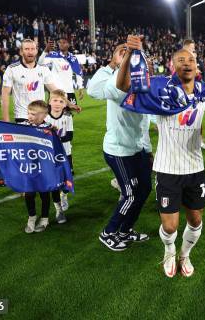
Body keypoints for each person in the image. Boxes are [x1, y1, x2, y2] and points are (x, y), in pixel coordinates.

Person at [117, 38, 205, 278]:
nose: (187, 63)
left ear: (197, 66)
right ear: (173, 66)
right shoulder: (160, 87)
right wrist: (131, 54)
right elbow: (123, 86)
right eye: (181, 60)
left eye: (191, 60)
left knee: (194, 221)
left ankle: (185, 254)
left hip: (195, 168)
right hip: (167, 168)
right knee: (170, 225)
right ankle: (169, 251)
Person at [87, 42, 152, 252]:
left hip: (137, 149)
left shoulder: (141, 84)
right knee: (131, 194)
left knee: (145, 189)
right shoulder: (114, 82)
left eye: (132, 54)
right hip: (118, 150)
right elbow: (94, 90)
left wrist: (148, 150)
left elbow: (144, 122)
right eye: (122, 52)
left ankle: (125, 231)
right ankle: (108, 232)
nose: (128, 55)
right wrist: (115, 64)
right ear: (114, 58)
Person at [1, 39, 58, 123]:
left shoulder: (43, 69)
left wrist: (69, 104)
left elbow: (54, 90)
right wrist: (5, 120)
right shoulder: (12, 69)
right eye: (27, 49)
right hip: (23, 116)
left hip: (42, 117)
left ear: (36, 51)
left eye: (32, 49)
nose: (30, 52)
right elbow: (5, 94)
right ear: (21, 52)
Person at [21, 100, 55, 233]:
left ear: (44, 116)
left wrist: (55, 133)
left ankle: (45, 218)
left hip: (44, 167)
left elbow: (56, 144)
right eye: (29, 113)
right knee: (29, 193)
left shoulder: (49, 127)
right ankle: (32, 216)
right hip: (28, 166)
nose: (30, 116)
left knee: (44, 193)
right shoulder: (22, 125)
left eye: (34, 114)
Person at [45, 89, 74, 215]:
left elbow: (69, 136)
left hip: (65, 153)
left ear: (65, 105)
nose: (57, 103)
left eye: (61, 101)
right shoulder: (45, 117)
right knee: (55, 177)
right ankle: (57, 201)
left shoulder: (67, 117)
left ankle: (64, 195)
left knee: (68, 176)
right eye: (55, 100)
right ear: (49, 102)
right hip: (50, 154)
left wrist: (55, 138)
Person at [38, 38, 84, 105]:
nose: (61, 44)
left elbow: (78, 72)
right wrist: (45, 50)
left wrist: (80, 87)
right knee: (55, 113)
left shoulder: (72, 58)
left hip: (69, 90)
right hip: (57, 90)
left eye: (64, 42)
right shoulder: (54, 55)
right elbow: (40, 63)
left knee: (69, 114)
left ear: (68, 45)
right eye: (60, 42)